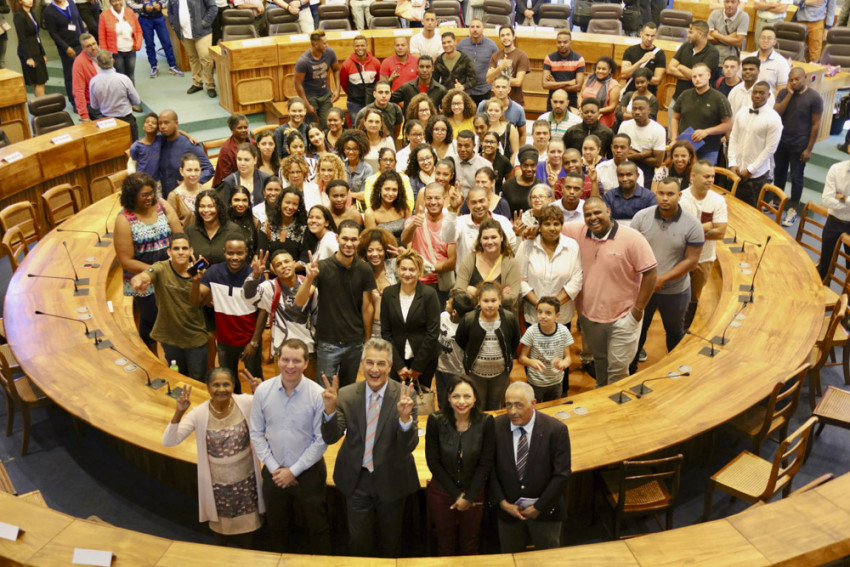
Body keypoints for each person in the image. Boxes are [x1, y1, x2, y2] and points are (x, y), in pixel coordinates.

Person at [319, 338, 419, 558]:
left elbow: (409, 446)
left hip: (393, 480)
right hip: (357, 482)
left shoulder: (406, 395)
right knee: (358, 542)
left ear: (390, 366)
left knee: (390, 543)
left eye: (381, 363)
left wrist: (404, 420)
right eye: (370, 362)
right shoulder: (345, 394)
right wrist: (329, 411)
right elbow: (331, 436)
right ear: (362, 364)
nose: (375, 369)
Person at [163, 368, 264, 548]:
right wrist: (178, 412)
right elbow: (169, 441)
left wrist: (259, 391)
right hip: (218, 485)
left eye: (226, 384)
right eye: (216, 385)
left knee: (249, 529)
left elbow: (271, 410)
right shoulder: (198, 413)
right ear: (208, 388)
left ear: (233, 385)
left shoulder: (245, 402)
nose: (221, 389)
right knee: (220, 531)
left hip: (246, 480)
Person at [248, 339, 331, 554]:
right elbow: (256, 433)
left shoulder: (317, 394)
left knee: (317, 528)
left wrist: (292, 471)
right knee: (277, 528)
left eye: (296, 360)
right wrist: (276, 469)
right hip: (274, 472)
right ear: (278, 360)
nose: (290, 366)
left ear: (306, 363)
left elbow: (320, 440)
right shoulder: (263, 391)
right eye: (285, 359)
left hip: (309, 473)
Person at [563, 197, 657, 386]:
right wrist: (530, 229)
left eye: (597, 212)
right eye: (588, 214)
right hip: (590, 317)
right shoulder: (578, 232)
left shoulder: (632, 238)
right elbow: (551, 226)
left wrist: (637, 310)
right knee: (600, 362)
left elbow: (651, 273)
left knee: (617, 369)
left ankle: (617, 410)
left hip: (623, 318)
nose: (593, 218)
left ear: (608, 211)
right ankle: (601, 398)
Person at [630, 178, 704, 371]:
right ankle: (631, 370)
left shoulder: (693, 225)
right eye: (661, 193)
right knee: (638, 331)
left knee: (674, 332)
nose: (665, 198)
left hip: (676, 291)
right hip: (644, 289)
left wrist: (663, 278)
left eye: (670, 194)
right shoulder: (641, 217)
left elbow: (692, 260)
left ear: (679, 196)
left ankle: (676, 370)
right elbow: (631, 251)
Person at [490, 382, 571, 553]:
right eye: (509, 405)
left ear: (533, 403)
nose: (512, 411)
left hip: (546, 514)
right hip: (509, 513)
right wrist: (503, 503)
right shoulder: (495, 427)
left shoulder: (556, 430)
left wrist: (539, 507)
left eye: (519, 405)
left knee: (547, 560)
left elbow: (562, 475)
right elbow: (489, 470)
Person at [301, 220, 377, 387]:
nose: (349, 244)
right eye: (345, 239)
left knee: (348, 391)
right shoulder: (322, 267)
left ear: (359, 240)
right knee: (324, 392)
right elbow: (301, 300)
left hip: (355, 342)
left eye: (353, 239)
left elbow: (367, 307)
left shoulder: (365, 270)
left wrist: (368, 339)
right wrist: (309, 279)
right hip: (328, 342)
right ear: (337, 238)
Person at [425, 376, 495, 556]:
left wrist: (469, 497)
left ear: (474, 399)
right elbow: (433, 462)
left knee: (470, 544)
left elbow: (485, 464)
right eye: (456, 396)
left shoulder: (486, 422)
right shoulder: (435, 420)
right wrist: (458, 495)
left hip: (474, 492)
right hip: (442, 492)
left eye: (466, 396)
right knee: (445, 543)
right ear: (448, 398)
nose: (461, 401)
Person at [114, 172, 183, 352]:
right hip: (144, 279)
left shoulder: (162, 205)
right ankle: (151, 359)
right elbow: (126, 261)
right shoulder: (124, 220)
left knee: (174, 318)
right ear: (131, 196)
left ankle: (173, 359)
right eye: (144, 195)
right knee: (151, 320)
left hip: (171, 273)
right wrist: (157, 271)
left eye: (151, 192)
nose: (150, 197)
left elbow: (179, 235)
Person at [129, 233, 209, 379]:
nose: (180, 252)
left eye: (184, 248)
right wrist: (137, 282)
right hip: (169, 337)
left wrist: (196, 282)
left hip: (194, 336)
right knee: (176, 375)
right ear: (169, 252)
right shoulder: (161, 268)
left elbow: (195, 302)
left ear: (191, 251)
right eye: (176, 248)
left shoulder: (200, 273)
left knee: (198, 377)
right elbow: (143, 276)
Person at [192, 236, 264, 391]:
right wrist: (196, 281)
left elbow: (263, 312)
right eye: (230, 253)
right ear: (224, 252)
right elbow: (196, 300)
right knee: (230, 380)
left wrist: (254, 342)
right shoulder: (212, 272)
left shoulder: (256, 274)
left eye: (240, 253)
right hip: (224, 341)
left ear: (246, 253)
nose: (235, 258)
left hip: (249, 340)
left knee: (256, 380)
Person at [243, 249, 318, 369]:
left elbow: (317, 316)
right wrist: (255, 275)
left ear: (294, 263)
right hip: (282, 349)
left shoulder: (309, 283)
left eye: (286, 262)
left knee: (308, 387)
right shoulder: (270, 287)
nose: (284, 266)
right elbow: (248, 296)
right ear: (273, 270)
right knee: (284, 387)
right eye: (278, 264)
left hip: (309, 349)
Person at [516, 203, 582, 331]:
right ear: (539, 226)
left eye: (556, 224)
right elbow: (520, 278)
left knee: (560, 350)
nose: (552, 228)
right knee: (534, 350)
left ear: (562, 226)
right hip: (534, 315)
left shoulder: (572, 246)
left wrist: (553, 306)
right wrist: (539, 304)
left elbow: (576, 279)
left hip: (561, 315)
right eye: (547, 224)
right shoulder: (526, 245)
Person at [380, 248, 441, 384]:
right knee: (396, 399)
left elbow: (432, 333)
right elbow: (386, 332)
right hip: (397, 359)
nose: (407, 273)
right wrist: (398, 365)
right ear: (398, 269)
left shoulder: (429, 294)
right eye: (404, 269)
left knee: (421, 402)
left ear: (419, 271)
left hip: (424, 360)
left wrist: (417, 367)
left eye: (412, 270)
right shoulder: (388, 294)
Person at [455, 281, 520, 410]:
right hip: (476, 374)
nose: (490, 305)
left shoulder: (509, 318)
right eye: (485, 301)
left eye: (493, 300)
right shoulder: (469, 319)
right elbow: (461, 340)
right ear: (479, 301)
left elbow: (514, 342)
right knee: (477, 405)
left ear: (500, 300)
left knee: (495, 406)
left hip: (500, 375)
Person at [680, 160, 727, 328]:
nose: (711, 180)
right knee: (677, 294)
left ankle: (686, 329)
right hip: (681, 257)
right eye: (706, 176)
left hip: (705, 258)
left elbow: (720, 233)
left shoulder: (718, 201)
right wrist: (706, 227)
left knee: (694, 297)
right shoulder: (681, 199)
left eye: (713, 177)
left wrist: (694, 230)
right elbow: (680, 235)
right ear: (693, 177)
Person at [775, 67, 822, 226]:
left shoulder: (814, 97)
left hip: (800, 144)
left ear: (805, 78)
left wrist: (809, 149)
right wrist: (789, 93)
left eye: (797, 79)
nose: (793, 82)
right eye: (791, 79)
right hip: (781, 141)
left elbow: (816, 125)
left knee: (796, 176)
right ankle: (777, 201)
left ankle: (793, 208)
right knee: (779, 172)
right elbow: (777, 113)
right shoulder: (783, 93)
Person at [727, 81, 783, 207]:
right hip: (736, 170)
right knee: (731, 208)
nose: (757, 95)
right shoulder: (742, 112)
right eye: (755, 92)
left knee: (751, 214)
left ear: (768, 96)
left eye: (761, 93)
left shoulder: (773, 118)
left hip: (756, 175)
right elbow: (733, 137)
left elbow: (770, 149)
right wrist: (732, 162)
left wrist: (751, 169)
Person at [669, 62, 733, 164]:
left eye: (700, 75)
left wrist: (706, 132)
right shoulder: (685, 95)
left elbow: (728, 124)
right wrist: (673, 139)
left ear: (708, 75)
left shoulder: (719, 98)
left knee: (704, 178)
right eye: (694, 76)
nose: (697, 79)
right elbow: (675, 118)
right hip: (685, 149)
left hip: (708, 150)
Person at [518, 297, 573, 402]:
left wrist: (564, 363)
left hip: (556, 382)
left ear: (557, 316)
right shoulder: (531, 331)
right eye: (540, 312)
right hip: (535, 382)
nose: (543, 316)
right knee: (536, 410)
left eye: (548, 313)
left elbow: (568, 358)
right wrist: (531, 362)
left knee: (552, 408)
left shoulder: (564, 331)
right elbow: (522, 358)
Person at [444, 185, 517, 263]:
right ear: (468, 204)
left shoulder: (503, 222)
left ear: (489, 201)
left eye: (481, 201)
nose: (478, 206)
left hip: (497, 272)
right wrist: (452, 210)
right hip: (467, 273)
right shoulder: (461, 222)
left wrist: (519, 235)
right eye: (474, 202)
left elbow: (513, 248)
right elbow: (447, 238)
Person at [158, 109, 214, 197]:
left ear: (176, 123)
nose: (162, 126)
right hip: (164, 198)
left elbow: (209, 169)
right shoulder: (159, 142)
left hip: (184, 198)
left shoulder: (189, 145)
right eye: (160, 123)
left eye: (166, 122)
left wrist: (190, 182)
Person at [666, 21, 720, 112]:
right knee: (673, 124)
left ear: (700, 34)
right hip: (678, 98)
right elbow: (670, 69)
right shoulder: (686, 46)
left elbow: (701, 77)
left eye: (691, 32)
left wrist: (680, 67)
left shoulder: (713, 53)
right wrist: (691, 76)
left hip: (699, 101)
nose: (688, 35)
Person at [167, 0, 217, 97]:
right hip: (184, 33)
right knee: (193, 58)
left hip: (202, 33)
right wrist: (174, 25)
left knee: (205, 59)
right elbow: (170, 12)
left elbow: (213, 8)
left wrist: (204, 23)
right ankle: (197, 83)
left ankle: (210, 85)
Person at [89, 49, 141, 140]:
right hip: (126, 120)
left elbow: (94, 106)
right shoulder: (124, 79)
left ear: (98, 64)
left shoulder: (93, 82)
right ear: (113, 60)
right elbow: (136, 100)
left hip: (107, 121)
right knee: (132, 149)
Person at [42, 0, 84, 107]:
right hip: (67, 48)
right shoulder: (49, 11)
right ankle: (74, 102)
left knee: (85, 72)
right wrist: (66, 48)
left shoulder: (71, 3)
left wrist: (85, 38)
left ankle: (87, 99)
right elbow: (53, 33)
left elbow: (78, 20)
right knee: (71, 75)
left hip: (80, 44)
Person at [185, 190, 243, 268]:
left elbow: (240, 259)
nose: (206, 210)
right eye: (202, 206)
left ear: (219, 208)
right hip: (198, 278)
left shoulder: (233, 230)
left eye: (210, 206)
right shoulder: (190, 230)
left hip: (226, 278)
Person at [294, 31, 340, 129]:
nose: (326, 45)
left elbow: (336, 70)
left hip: (325, 95)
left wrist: (337, 90)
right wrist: (306, 104)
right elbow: (298, 84)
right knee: (311, 127)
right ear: (315, 44)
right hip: (310, 98)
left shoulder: (330, 53)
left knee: (328, 125)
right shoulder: (303, 61)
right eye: (324, 43)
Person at [127, 0, 182, 79]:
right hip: (144, 19)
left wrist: (160, 5)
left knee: (167, 42)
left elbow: (166, 1)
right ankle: (154, 67)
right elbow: (130, 3)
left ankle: (172, 66)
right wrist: (143, 7)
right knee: (149, 44)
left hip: (159, 18)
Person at [258, 187, 315, 264]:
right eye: (287, 202)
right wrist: (278, 270)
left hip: (296, 274)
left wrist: (286, 269)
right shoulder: (266, 226)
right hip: (271, 274)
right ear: (280, 202)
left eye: (295, 204)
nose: (290, 207)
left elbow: (305, 260)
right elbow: (262, 257)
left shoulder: (304, 228)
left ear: (299, 207)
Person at [619, 96, 666, 185]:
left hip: (647, 172)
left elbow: (657, 162)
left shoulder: (658, 130)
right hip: (625, 168)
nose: (637, 112)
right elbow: (620, 155)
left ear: (649, 110)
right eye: (634, 109)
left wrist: (633, 154)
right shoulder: (624, 126)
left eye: (641, 109)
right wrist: (644, 154)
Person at [818, 159, 850, 280]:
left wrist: (841, 197)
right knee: (824, 266)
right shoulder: (836, 169)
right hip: (834, 221)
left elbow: (834, 198)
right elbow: (826, 200)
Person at [98, 0, 142, 84]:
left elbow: (138, 30)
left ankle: (131, 96)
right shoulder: (104, 15)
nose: (117, 3)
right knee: (120, 76)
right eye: (114, 1)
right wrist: (105, 53)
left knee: (131, 76)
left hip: (131, 50)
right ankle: (122, 96)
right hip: (116, 52)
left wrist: (138, 45)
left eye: (119, 0)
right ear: (110, 2)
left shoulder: (129, 12)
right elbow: (102, 37)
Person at [457, 18, 499, 106]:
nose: (475, 29)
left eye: (478, 26)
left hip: (485, 89)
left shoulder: (492, 46)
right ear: (469, 29)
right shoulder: (461, 45)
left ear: (483, 28)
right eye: (472, 27)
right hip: (466, 89)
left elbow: (497, 67)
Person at [340, 35, 381, 123]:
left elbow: (378, 81)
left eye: (362, 45)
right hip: (354, 103)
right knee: (357, 126)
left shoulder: (376, 62)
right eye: (357, 46)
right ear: (353, 47)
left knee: (372, 125)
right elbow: (343, 83)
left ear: (366, 46)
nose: (360, 48)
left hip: (371, 102)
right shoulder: (346, 64)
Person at [364, 170, 411, 245]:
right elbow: (373, 243)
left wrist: (407, 253)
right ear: (379, 189)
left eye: (394, 190)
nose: (390, 193)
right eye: (387, 189)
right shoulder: (370, 213)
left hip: (404, 251)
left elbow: (410, 238)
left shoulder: (405, 209)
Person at [486, 26, 530, 107]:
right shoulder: (495, 56)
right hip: (496, 103)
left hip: (515, 102)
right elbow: (488, 79)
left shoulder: (521, 55)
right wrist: (500, 68)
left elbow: (518, 82)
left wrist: (497, 78)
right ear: (499, 39)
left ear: (513, 37)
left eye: (508, 35)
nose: (505, 37)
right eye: (502, 35)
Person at [476, 75, 528, 143]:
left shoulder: (518, 109)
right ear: (492, 88)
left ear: (509, 89)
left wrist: (518, 152)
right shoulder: (483, 105)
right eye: (498, 87)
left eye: (504, 87)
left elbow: (522, 134)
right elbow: (476, 129)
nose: (500, 90)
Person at [541, 30, 585, 110]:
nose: (562, 45)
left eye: (565, 42)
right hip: (553, 101)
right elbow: (545, 84)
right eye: (559, 42)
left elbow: (578, 87)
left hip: (571, 101)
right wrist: (568, 82)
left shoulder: (579, 59)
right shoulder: (549, 58)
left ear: (570, 42)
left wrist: (555, 84)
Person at [620, 22, 666, 96]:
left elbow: (657, 81)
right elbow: (623, 75)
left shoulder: (660, 54)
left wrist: (633, 74)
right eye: (647, 35)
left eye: (652, 36)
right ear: (641, 34)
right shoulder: (630, 51)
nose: (649, 38)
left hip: (649, 96)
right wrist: (641, 61)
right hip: (630, 93)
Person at [13, 0, 47, 98]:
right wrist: (28, 57)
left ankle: (42, 105)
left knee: (42, 80)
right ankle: (41, 108)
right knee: (38, 81)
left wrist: (43, 53)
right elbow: (22, 38)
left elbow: (37, 35)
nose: (30, 0)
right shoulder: (19, 16)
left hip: (37, 50)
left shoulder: (31, 13)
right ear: (19, 1)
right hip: (28, 52)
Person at [212, 114, 254, 188]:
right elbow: (226, 176)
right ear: (232, 130)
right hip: (230, 185)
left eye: (245, 127)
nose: (243, 130)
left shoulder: (253, 143)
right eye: (240, 128)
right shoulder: (226, 149)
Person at [745, 26, 790, 92]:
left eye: (769, 38)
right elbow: (740, 81)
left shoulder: (782, 62)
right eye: (763, 38)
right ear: (759, 40)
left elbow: (781, 90)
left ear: (774, 42)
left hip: (769, 100)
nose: (765, 41)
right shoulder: (748, 58)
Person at [580, 57, 621, 129]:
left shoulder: (614, 85)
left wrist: (594, 112)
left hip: (603, 121)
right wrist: (581, 108)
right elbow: (580, 96)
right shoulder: (589, 78)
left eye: (603, 69)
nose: (600, 71)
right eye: (598, 68)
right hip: (584, 116)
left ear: (610, 70)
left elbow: (612, 107)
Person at [167, 153, 204, 228]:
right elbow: (172, 225)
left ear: (200, 171)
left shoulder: (207, 191)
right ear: (181, 171)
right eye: (189, 170)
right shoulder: (174, 197)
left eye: (196, 170)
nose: (193, 174)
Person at [336, 128, 373, 197]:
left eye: (355, 149)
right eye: (348, 148)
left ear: (360, 150)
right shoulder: (340, 166)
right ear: (343, 149)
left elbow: (365, 194)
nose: (351, 152)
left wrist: (346, 195)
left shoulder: (367, 169)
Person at [72, 33, 100, 119]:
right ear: (83, 48)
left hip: (108, 102)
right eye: (89, 46)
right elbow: (78, 91)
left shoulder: (102, 56)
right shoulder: (79, 63)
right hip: (95, 106)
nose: (93, 47)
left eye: (94, 43)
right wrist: (84, 115)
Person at [359, 108, 396, 173]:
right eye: (370, 121)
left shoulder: (388, 141)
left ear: (381, 124)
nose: (374, 125)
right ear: (364, 123)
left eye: (377, 122)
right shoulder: (358, 141)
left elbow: (393, 164)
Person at [128, 113, 162, 178]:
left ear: (158, 129)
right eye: (147, 122)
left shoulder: (160, 140)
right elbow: (132, 163)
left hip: (157, 181)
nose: (150, 124)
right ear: (143, 127)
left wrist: (188, 136)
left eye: (154, 123)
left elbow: (174, 133)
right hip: (142, 180)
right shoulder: (136, 146)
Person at [228, 186, 259, 256]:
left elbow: (257, 248)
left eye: (244, 200)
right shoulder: (223, 221)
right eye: (236, 200)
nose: (241, 204)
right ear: (230, 201)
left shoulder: (255, 222)